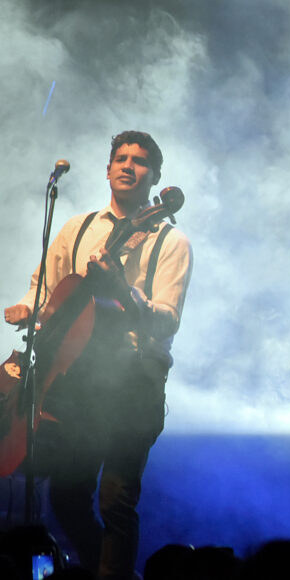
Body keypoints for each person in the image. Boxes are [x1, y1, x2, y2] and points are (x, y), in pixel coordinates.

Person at [4, 131, 193, 580]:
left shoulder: (171, 242)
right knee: (67, 497)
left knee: (116, 501)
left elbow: (166, 319)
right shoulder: (78, 227)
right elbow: (46, 289)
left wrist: (122, 292)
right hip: (80, 381)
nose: (129, 166)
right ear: (108, 170)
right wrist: (27, 307)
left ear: (155, 176)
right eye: (121, 158)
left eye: (141, 161)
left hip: (135, 382)